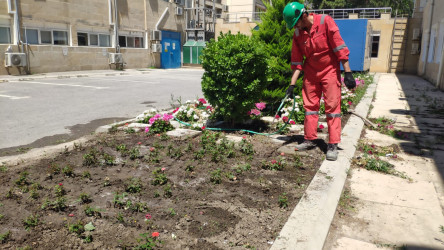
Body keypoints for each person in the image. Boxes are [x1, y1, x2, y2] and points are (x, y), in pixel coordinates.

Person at [283, 2, 356, 161]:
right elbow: (296, 62)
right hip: (311, 73)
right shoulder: (298, 34)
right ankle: (310, 139)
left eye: (297, 23)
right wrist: (292, 85)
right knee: (310, 107)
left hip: (329, 70)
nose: (296, 27)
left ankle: (332, 144)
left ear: (303, 15)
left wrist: (348, 72)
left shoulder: (325, 21)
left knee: (332, 106)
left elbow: (339, 48)